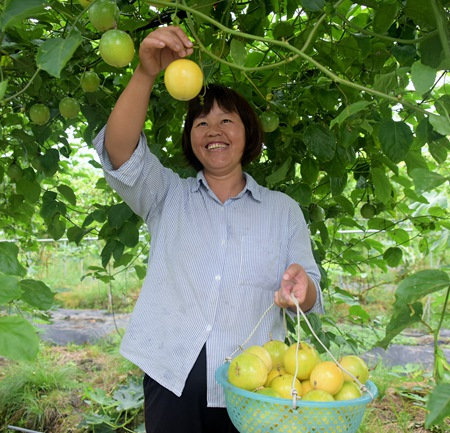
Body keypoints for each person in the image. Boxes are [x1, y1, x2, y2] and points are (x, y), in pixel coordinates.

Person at [92, 26, 323, 433]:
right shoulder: (167, 196)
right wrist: (145, 74)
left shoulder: (283, 210)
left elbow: (310, 292)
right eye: (201, 123)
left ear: (248, 132)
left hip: (255, 386)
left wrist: (302, 289)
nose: (213, 130)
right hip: (171, 375)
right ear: (190, 138)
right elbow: (119, 151)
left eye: (226, 120)